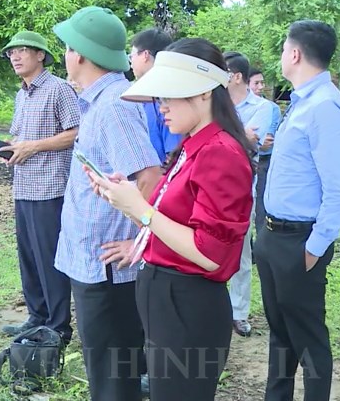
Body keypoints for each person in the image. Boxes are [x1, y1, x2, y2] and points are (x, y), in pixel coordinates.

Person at [87, 38, 255, 400]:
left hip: (188, 303)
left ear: (205, 92)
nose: (160, 107)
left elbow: (210, 252)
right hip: (169, 299)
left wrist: (140, 209)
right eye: (158, 97)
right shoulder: (194, 145)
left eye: (170, 95)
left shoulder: (219, 153)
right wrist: (124, 199)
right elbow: (170, 219)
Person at [52, 6, 163, 401]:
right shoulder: (99, 103)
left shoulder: (114, 105)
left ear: (79, 54)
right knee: (105, 374)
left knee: (114, 380)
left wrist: (142, 242)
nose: (64, 56)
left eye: (66, 48)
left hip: (110, 272)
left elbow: (148, 177)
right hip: (93, 264)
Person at [255, 20, 340, 401]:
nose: (281, 55)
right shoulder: (300, 103)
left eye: (283, 49)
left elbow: (339, 189)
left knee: (309, 337)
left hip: (300, 241)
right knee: (280, 332)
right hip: (272, 236)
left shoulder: (325, 106)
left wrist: (315, 246)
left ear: (295, 54)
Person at [0, 31, 81, 343]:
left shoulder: (58, 89)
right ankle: (37, 316)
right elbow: (21, 137)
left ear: (40, 55)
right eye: (11, 53)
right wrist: (14, 148)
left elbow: (76, 132)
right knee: (29, 257)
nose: (15, 57)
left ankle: (58, 326)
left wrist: (35, 147)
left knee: (49, 259)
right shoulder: (21, 94)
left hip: (51, 188)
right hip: (24, 187)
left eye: (21, 51)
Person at [224, 52, 274, 338]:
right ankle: (217, 306)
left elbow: (252, 143)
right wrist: (240, 133)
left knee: (242, 251)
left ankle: (238, 312)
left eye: (223, 71)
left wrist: (230, 134)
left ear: (236, 76)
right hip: (210, 184)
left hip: (242, 187)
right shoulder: (213, 101)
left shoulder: (262, 107)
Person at [130, 28, 183, 166]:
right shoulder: (139, 96)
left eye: (132, 56)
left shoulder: (168, 100)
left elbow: (173, 158)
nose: (131, 62)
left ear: (145, 55)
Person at [249, 68, 282, 233]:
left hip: (264, 161)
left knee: (261, 202)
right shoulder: (237, 106)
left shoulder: (271, 108)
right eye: (256, 83)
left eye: (262, 82)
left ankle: (261, 238)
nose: (260, 86)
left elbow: (267, 140)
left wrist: (254, 139)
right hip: (246, 159)